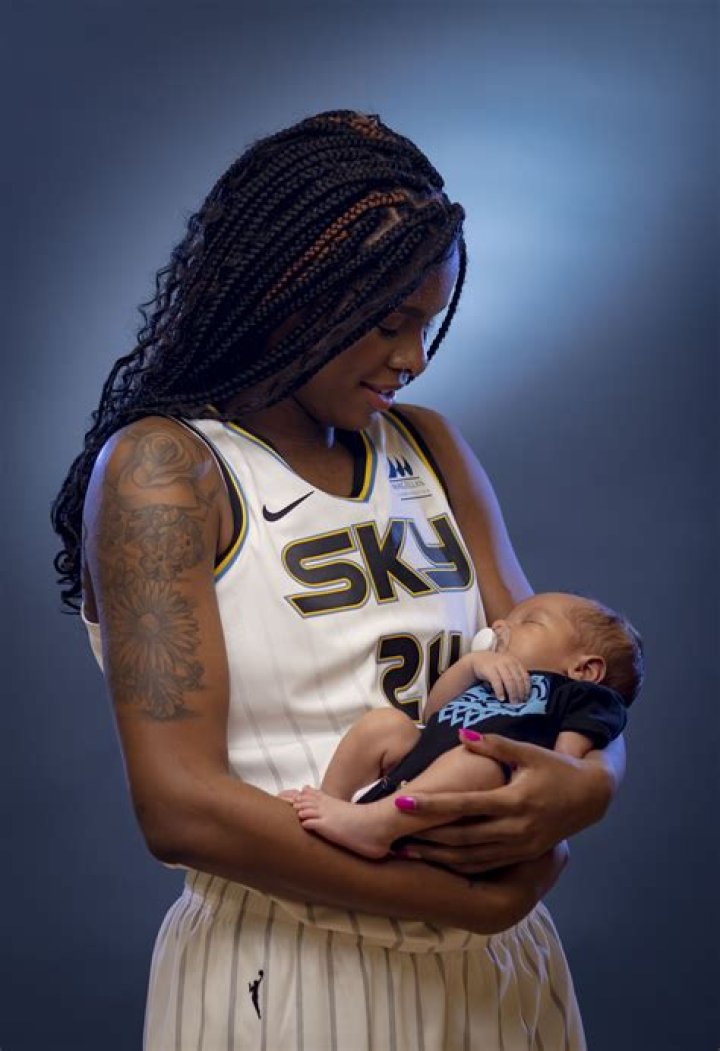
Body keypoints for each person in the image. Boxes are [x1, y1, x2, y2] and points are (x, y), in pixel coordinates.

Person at [51, 110, 628, 1050]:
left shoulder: (429, 447)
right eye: (391, 322)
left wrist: (593, 782)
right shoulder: (167, 471)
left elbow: (556, 663)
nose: (414, 357)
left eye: (429, 324)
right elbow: (178, 805)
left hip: (499, 972)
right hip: (292, 962)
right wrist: (461, 900)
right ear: (290, 288)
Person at [286, 591, 643, 860]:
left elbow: (564, 766)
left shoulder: (582, 696)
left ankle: (378, 824)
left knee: (476, 762)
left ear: (584, 669)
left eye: (529, 622)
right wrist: (470, 666)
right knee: (386, 724)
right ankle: (330, 798)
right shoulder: (491, 676)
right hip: (421, 761)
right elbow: (433, 713)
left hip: (475, 789)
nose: (499, 626)